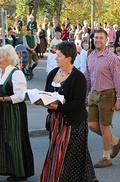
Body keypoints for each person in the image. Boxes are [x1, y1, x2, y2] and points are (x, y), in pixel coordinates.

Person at [40, 41, 98, 181]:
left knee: (68, 155)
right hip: (56, 120)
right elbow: (46, 93)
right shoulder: (53, 73)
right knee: (56, 151)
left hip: (73, 122)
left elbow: (78, 104)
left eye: (59, 55)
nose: (56, 58)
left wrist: (58, 107)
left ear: (69, 58)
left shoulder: (78, 77)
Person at [85, 29, 120, 168]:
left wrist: (119, 99)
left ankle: (106, 157)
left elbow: (118, 80)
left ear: (106, 40)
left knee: (104, 126)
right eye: (96, 37)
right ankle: (116, 141)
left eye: (101, 38)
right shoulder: (90, 56)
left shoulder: (112, 58)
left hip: (108, 94)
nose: (98, 40)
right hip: (94, 94)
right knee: (92, 125)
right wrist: (85, 95)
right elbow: (87, 78)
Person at [0, 44, 34, 181]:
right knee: (4, 140)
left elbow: (21, 96)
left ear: (8, 58)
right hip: (3, 110)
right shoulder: (1, 72)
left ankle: (20, 172)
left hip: (14, 111)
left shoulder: (16, 73)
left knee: (15, 140)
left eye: (1, 57)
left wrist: (2, 98)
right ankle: (8, 168)